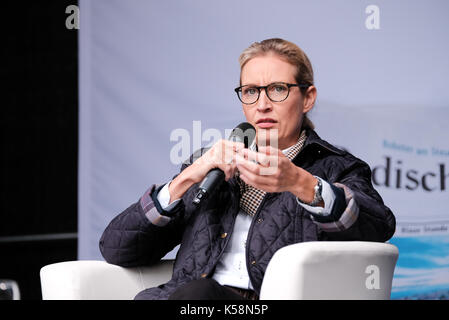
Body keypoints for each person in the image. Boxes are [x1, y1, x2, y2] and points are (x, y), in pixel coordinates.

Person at [99, 38, 396, 300]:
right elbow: (118, 250)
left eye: (278, 89)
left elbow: (377, 227)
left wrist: (302, 183)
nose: (262, 104)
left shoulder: (337, 167)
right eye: (251, 91)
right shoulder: (210, 166)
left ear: (308, 98)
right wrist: (186, 178)